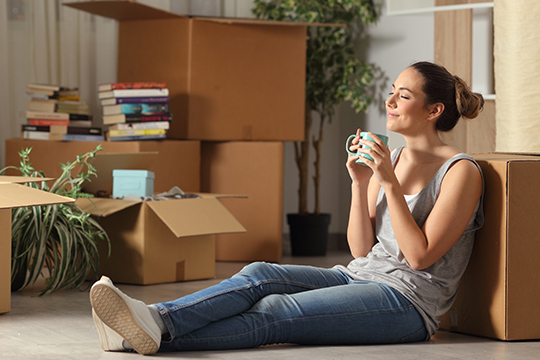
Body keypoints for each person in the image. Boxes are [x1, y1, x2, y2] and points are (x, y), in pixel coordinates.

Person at [89, 61, 485, 355]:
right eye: (393, 90)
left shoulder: (460, 172)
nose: (390, 100)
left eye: (405, 95)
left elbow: (418, 257)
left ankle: (136, 334)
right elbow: (361, 251)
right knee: (261, 274)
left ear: (433, 111)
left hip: (408, 304)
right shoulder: (393, 159)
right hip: (360, 277)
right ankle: (153, 320)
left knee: (276, 311)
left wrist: (387, 183)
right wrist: (359, 183)